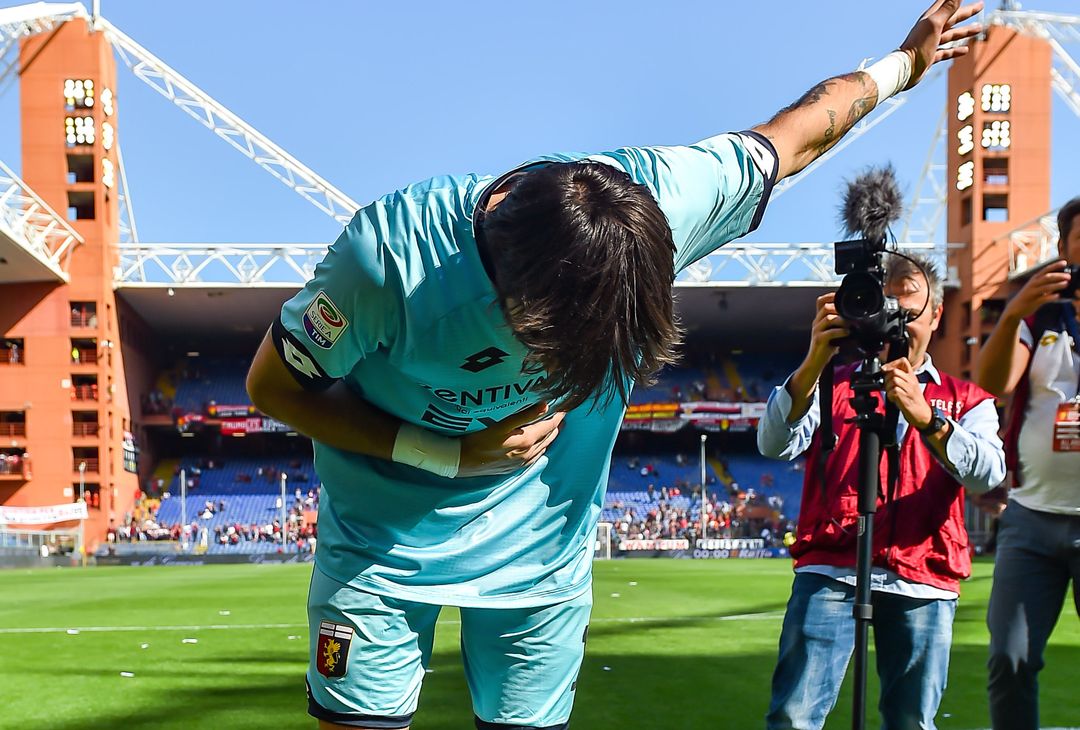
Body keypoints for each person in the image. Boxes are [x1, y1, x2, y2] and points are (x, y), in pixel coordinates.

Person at [244, 4, 984, 728]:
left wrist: (905, 64)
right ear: (511, 300)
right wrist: (447, 454)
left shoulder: (664, 202)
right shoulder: (388, 263)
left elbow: (793, 135)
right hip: (382, 548)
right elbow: (272, 387)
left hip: (541, 558)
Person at [757, 255, 1005, 730]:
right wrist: (814, 361)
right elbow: (772, 444)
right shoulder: (831, 383)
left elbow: (988, 474)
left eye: (910, 310)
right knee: (793, 717)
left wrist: (927, 417)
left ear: (937, 315)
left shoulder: (966, 400)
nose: (897, 321)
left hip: (923, 575)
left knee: (911, 722)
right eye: (885, 306)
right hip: (833, 566)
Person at [975, 196, 1080, 730]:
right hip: (1031, 517)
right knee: (1009, 658)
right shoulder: (1040, 315)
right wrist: (1014, 311)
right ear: (1064, 248)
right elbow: (993, 384)